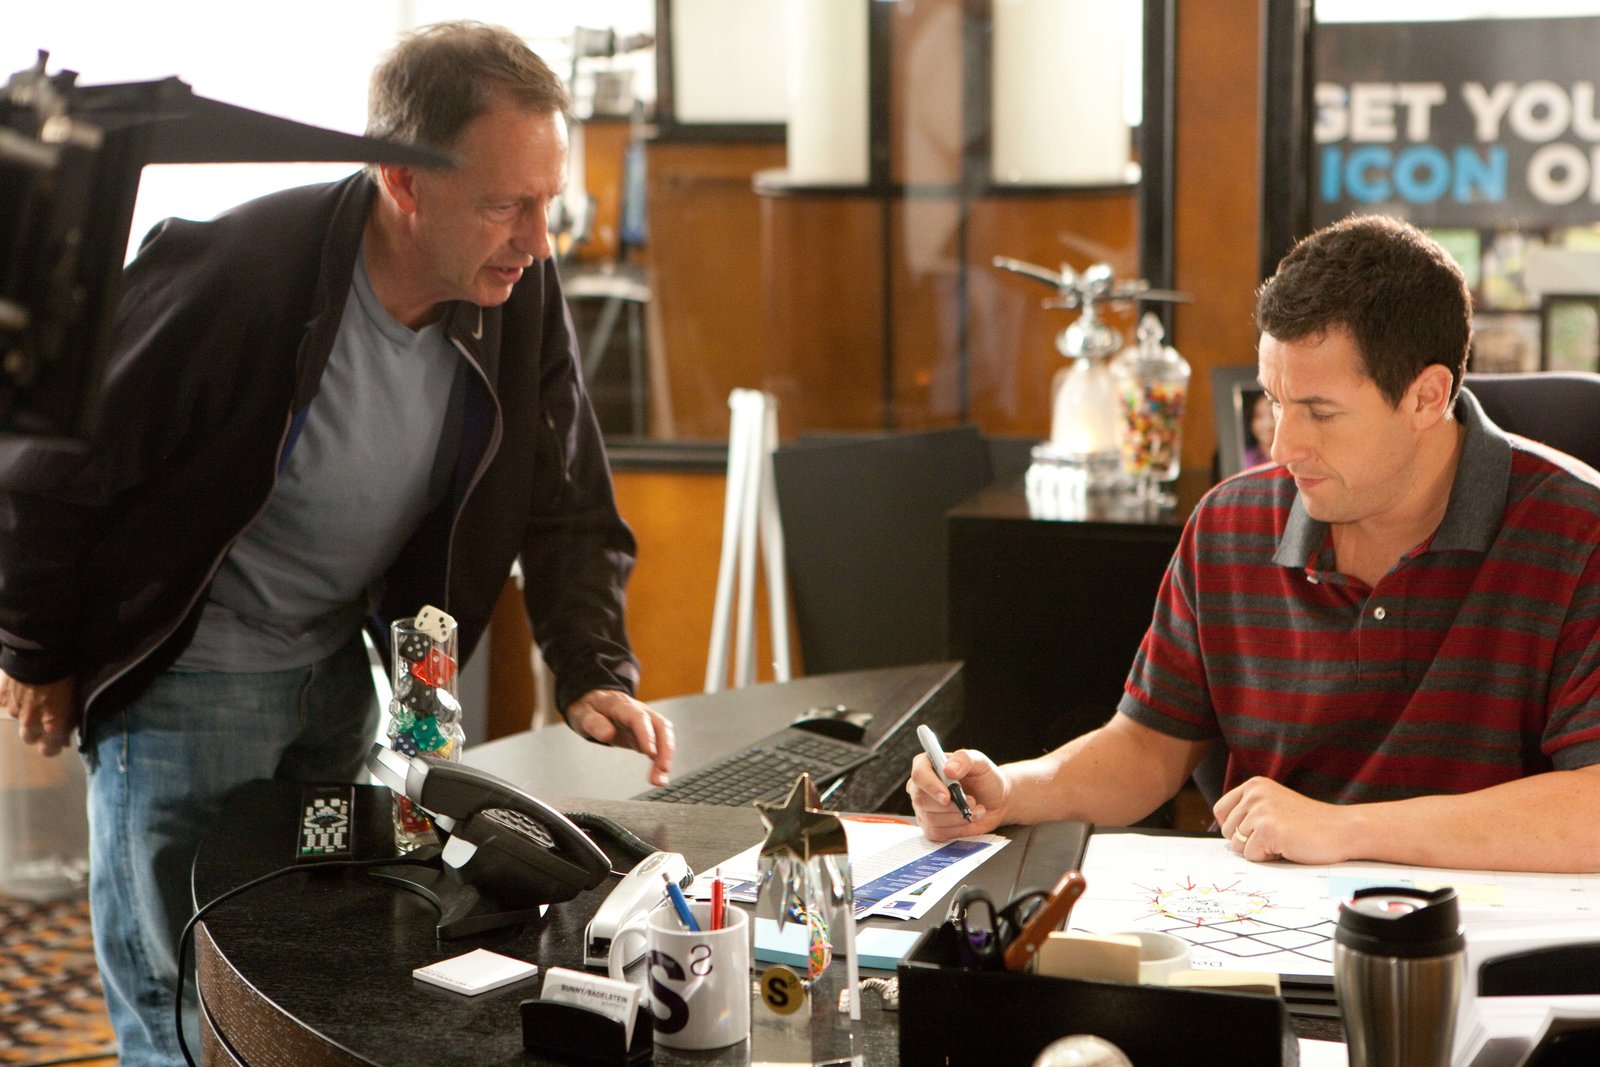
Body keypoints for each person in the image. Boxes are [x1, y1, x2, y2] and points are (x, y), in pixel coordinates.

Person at [0, 22, 673, 1065]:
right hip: (192, 681)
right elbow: (47, 464)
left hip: (337, 672)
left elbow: (567, 493)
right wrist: (34, 645)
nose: (538, 240)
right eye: (507, 204)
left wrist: (590, 663)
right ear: (404, 182)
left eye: (549, 202)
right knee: (185, 1012)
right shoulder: (236, 270)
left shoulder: (514, 290)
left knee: (304, 981)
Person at [909, 214, 1600, 875]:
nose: (1282, 447)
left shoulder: (1580, 533)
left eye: (1320, 413)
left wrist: (1345, 828)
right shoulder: (1230, 522)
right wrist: (1010, 790)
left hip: (1483, 924)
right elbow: (1147, 747)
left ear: (1427, 397)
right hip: (1265, 914)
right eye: (1275, 402)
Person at [1241, 389, 1275, 468]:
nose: (1267, 424)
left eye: (1273, 415)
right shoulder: (1245, 459)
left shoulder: (1293, 457)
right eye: (1259, 416)